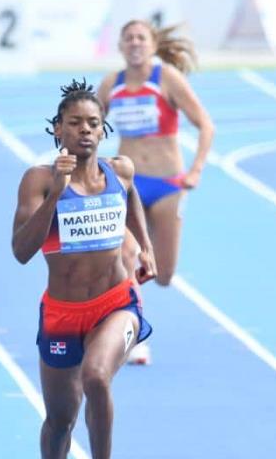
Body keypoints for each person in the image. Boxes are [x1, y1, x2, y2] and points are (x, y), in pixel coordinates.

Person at [12, 79, 157, 459]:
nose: (85, 130)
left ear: (103, 128)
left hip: (116, 303)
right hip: (62, 313)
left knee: (96, 376)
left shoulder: (119, 170)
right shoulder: (39, 181)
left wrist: (145, 246)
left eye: (93, 123)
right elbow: (21, 251)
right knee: (61, 419)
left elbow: (130, 196)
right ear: (58, 128)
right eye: (74, 123)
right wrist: (57, 194)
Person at [97, 20, 215, 365]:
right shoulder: (111, 84)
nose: (134, 43)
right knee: (125, 260)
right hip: (127, 185)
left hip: (166, 186)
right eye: (128, 37)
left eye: (140, 38)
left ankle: (123, 318)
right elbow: (90, 124)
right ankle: (127, 334)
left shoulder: (166, 79)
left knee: (162, 274)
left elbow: (206, 124)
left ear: (151, 44)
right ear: (120, 45)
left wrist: (196, 170)